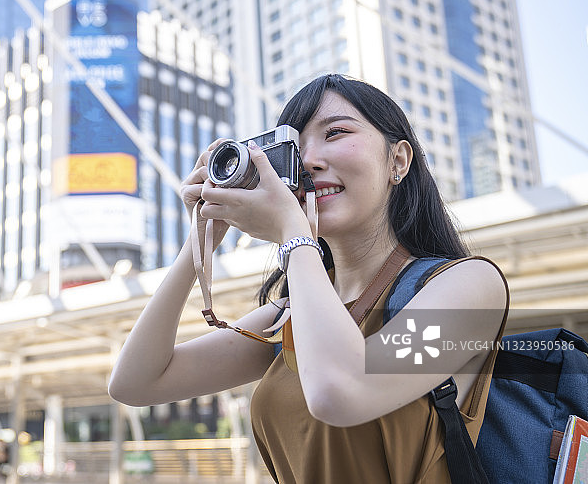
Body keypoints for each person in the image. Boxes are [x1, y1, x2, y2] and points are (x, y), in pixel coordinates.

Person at [108, 74, 508, 482]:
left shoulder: (472, 286)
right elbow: (136, 383)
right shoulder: (288, 318)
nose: (310, 160)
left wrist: (292, 234)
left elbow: (342, 392)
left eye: (335, 133)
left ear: (398, 161)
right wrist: (200, 239)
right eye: (295, 148)